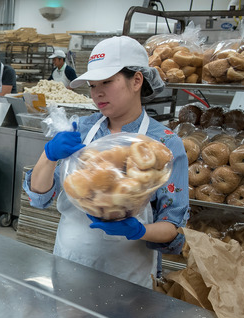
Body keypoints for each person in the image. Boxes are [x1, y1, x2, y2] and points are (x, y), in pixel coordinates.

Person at [24, 36, 189, 288]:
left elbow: (172, 227)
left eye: (107, 82)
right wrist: (48, 156)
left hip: (128, 276)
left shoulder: (163, 144)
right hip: (70, 263)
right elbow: (39, 197)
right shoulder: (80, 130)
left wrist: (140, 230)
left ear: (136, 81)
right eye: (92, 85)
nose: (97, 92)